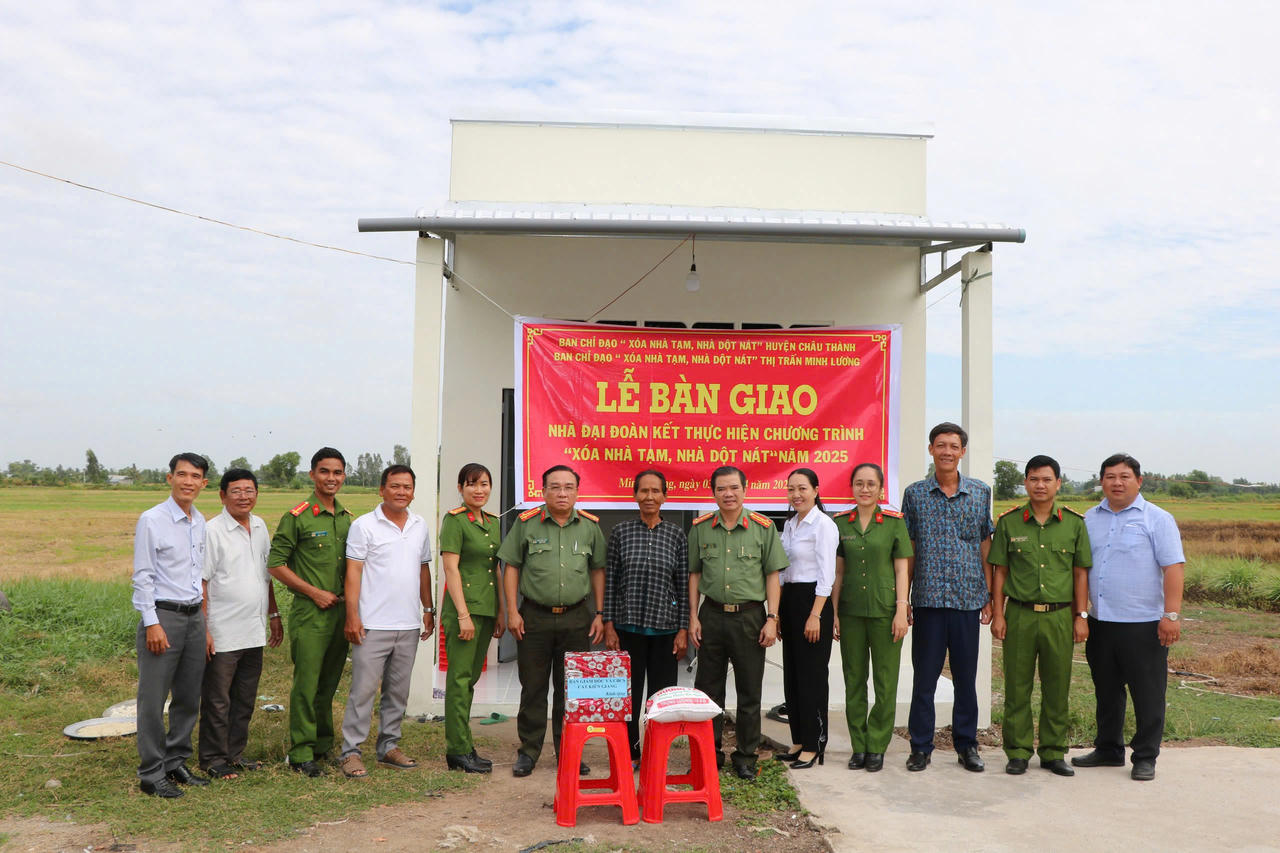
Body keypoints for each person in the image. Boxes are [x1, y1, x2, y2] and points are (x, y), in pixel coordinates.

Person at [1073, 453, 1185, 781]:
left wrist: (1171, 615)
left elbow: (1173, 568)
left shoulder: (1157, 519)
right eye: (1110, 477)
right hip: (1101, 622)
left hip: (1144, 624)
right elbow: (1081, 569)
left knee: (1148, 693)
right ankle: (1108, 748)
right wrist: (1081, 613)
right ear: (1101, 481)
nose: (1117, 483)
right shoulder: (1089, 519)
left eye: (1124, 477)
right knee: (1107, 690)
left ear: (1139, 481)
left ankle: (1146, 756)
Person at [498, 464, 607, 778]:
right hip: (534, 617)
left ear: (577, 491)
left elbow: (598, 570)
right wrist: (513, 611)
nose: (562, 493)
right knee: (532, 687)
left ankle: (569, 752)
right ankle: (528, 751)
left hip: (576, 618)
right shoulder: (527, 523)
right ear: (543, 491)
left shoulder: (589, 526)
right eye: (555, 487)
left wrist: (600, 614)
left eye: (568, 487)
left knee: (571, 689)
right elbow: (511, 567)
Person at [988, 455, 1091, 777]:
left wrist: (1081, 615)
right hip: (1019, 615)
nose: (1040, 485)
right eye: (1034, 479)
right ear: (1025, 483)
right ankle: (1018, 751)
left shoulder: (1074, 524)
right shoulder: (1010, 522)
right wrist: (998, 613)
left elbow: (1080, 574)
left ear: (1058, 483)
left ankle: (1053, 751)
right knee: (1017, 687)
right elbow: (1000, 572)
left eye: (1047, 479)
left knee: (1057, 687)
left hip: (1059, 617)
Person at [901, 422, 994, 773]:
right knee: (924, 678)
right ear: (931, 449)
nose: (947, 452)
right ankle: (920, 747)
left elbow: (985, 544)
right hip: (928, 599)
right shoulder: (915, 494)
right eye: (941, 445)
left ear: (962, 452)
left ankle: (967, 745)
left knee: (965, 679)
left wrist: (988, 595)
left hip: (967, 599)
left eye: (954, 446)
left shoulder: (980, 492)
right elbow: (909, 548)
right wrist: (905, 598)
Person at [687, 465, 787, 780]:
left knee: (749, 691)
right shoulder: (701, 528)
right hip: (712, 616)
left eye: (734, 488)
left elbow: (773, 575)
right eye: (721, 489)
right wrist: (693, 616)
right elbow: (694, 574)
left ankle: (745, 756)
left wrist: (772, 618)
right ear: (713, 492)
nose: (728, 494)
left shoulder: (762, 527)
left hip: (750, 618)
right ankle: (708, 754)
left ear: (745, 489)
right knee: (708, 691)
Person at [338, 464, 435, 778]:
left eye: (407, 487)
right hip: (372, 624)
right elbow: (353, 573)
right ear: (382, 490)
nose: (401, 492)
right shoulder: (364, 526)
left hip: (407, 624)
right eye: (395, 486)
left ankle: (388, 746)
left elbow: (423, 569)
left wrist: (428, 609)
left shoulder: (419, 525)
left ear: (413, 492)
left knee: (398, 691)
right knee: (363, 691)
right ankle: (351, 752)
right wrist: (353, 616)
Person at [267, 447, 353, 777]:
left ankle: (322, 744)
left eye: (337, 472)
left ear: (344, 476)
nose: (331, 478)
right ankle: (301, 751)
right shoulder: (298, 517)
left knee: (329, 683)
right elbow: (276, 564)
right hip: (310, 613)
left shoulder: (347, 518)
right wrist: (314, 592)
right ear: (312, 474)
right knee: (307, 684)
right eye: (325, 471)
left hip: (340, 613)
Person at [132, 452, 211, 798]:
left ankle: (175, 760)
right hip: (164, 617)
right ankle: (151, 772)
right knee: (153, 699)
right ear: (170, 478)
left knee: (188, 696)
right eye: (182, 474)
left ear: (203, 483)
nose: (188, 482)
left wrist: (203, 620)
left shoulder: (200, 520)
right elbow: (143, 577)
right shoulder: (152, 520)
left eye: (195, 476)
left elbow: (197, 574)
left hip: (194, 616)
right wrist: (152, 623)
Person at [199, 468, 283, 780]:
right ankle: (212, 758)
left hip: (253, 629)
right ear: (222, 496)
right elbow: (202, 582)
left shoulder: (260, 526)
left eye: (249, 491)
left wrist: (273, 615)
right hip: (222, 631)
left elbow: (266, 576)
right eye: (236, 491)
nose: (243, 497)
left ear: (257, 494)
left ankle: (234, 754)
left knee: (245, 696)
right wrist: (204, 629)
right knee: (218, 699)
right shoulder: (212, 531)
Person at [603, 469, 690, 763]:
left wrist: (683, 629)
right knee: (627, 695)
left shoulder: (676, 535)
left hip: (666, 629)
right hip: (627, 629)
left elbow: (682, 585)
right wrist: (609, 624)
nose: (649, 496)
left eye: (655, 491)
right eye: (644, 491)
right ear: (635, 495)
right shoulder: (621, 532)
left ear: (664, 496)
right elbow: (611, 580)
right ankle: (630, 753)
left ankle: (656, 754)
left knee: (660, 697)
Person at [831, 462, 912, 773]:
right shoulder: (841, 523)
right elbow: (838, 573)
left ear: (881, 489)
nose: (864, 489)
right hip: (851, 612)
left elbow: (902, 569)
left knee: (885, 681)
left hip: (885, 612)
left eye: (870, 484)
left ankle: (877, 745)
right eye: (859, 484)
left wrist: (901, 610)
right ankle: (859, 744)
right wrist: (834, 613)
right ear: (851, 487)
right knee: (853, 679)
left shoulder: (893, 523)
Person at [439, 462, 505, 774]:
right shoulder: (455, 520)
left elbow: (496, 570)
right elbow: (450, 569)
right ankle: (458, 750)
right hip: (464, 612)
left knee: (471, 679)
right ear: (460, 488)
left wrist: (501, 610)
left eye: (484, 484)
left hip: (486, 610)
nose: (479, 490)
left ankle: (465, 745)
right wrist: (463, 615)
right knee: (459, 680)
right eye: (472, 484)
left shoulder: (492, 522)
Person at [775, 468, 838, 769]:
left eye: (802, 488)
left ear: (815, 490)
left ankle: (814, 744)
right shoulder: (790, 524)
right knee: (793, 675)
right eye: (791, 489)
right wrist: (777, 612)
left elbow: (827, 575)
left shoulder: (823, 525)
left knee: (812, 676)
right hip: (790, 600)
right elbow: (783, 570)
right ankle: (799, 739)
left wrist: (815, 614)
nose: (796, 494)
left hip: (814, 602)